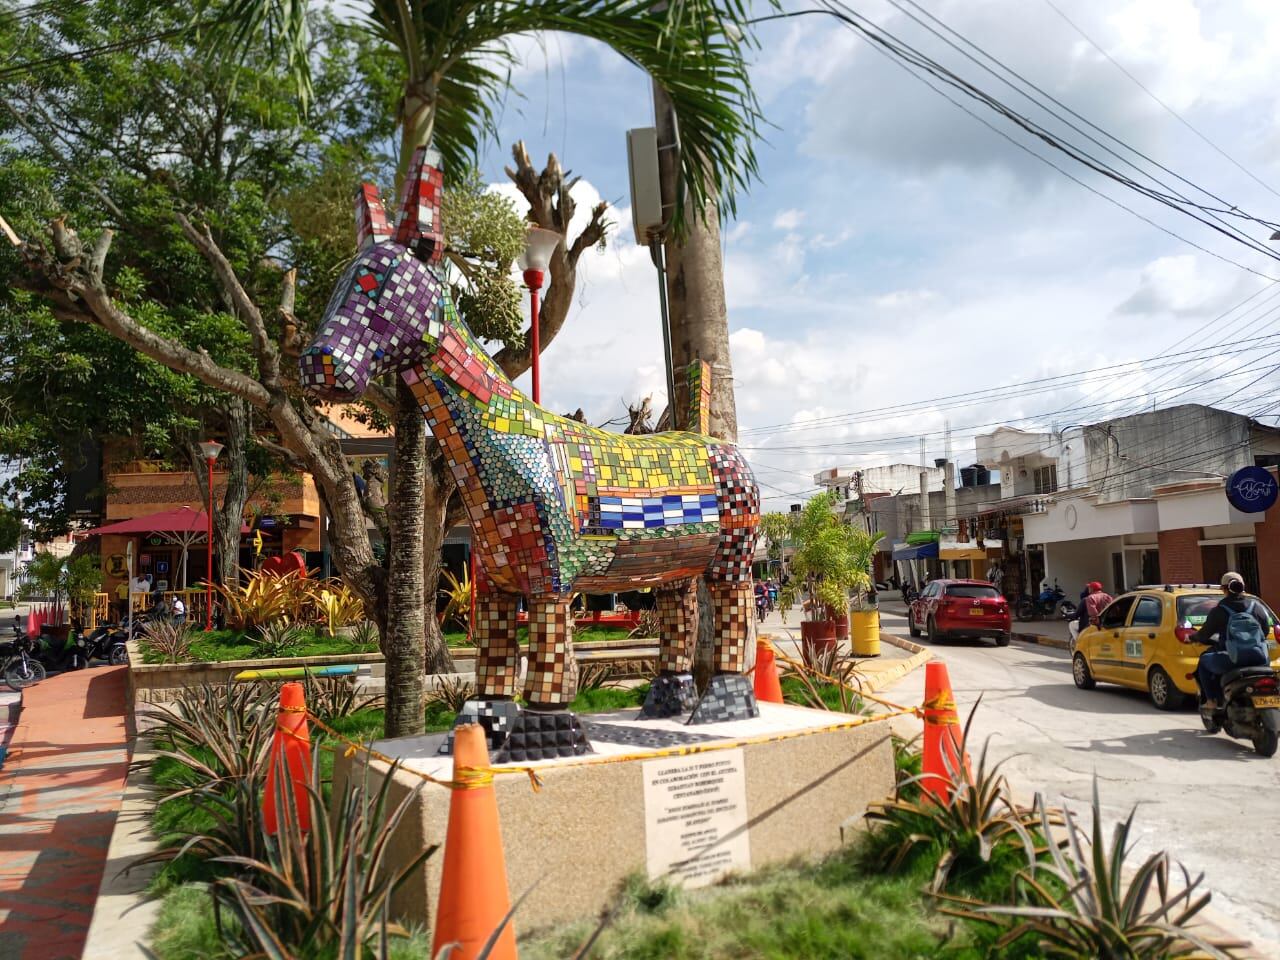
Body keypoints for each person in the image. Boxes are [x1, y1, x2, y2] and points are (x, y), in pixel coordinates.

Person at [1192, 572, 1272, 710]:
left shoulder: (1219, 610)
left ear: (1224, 589)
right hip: (1260, 658)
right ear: (1242, 587)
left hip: (1233, 659)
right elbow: (1264, 631)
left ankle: (1212, 701)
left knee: (1204, 661)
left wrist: (1192, 637)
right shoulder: (1257, 607)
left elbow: (1204, 635)